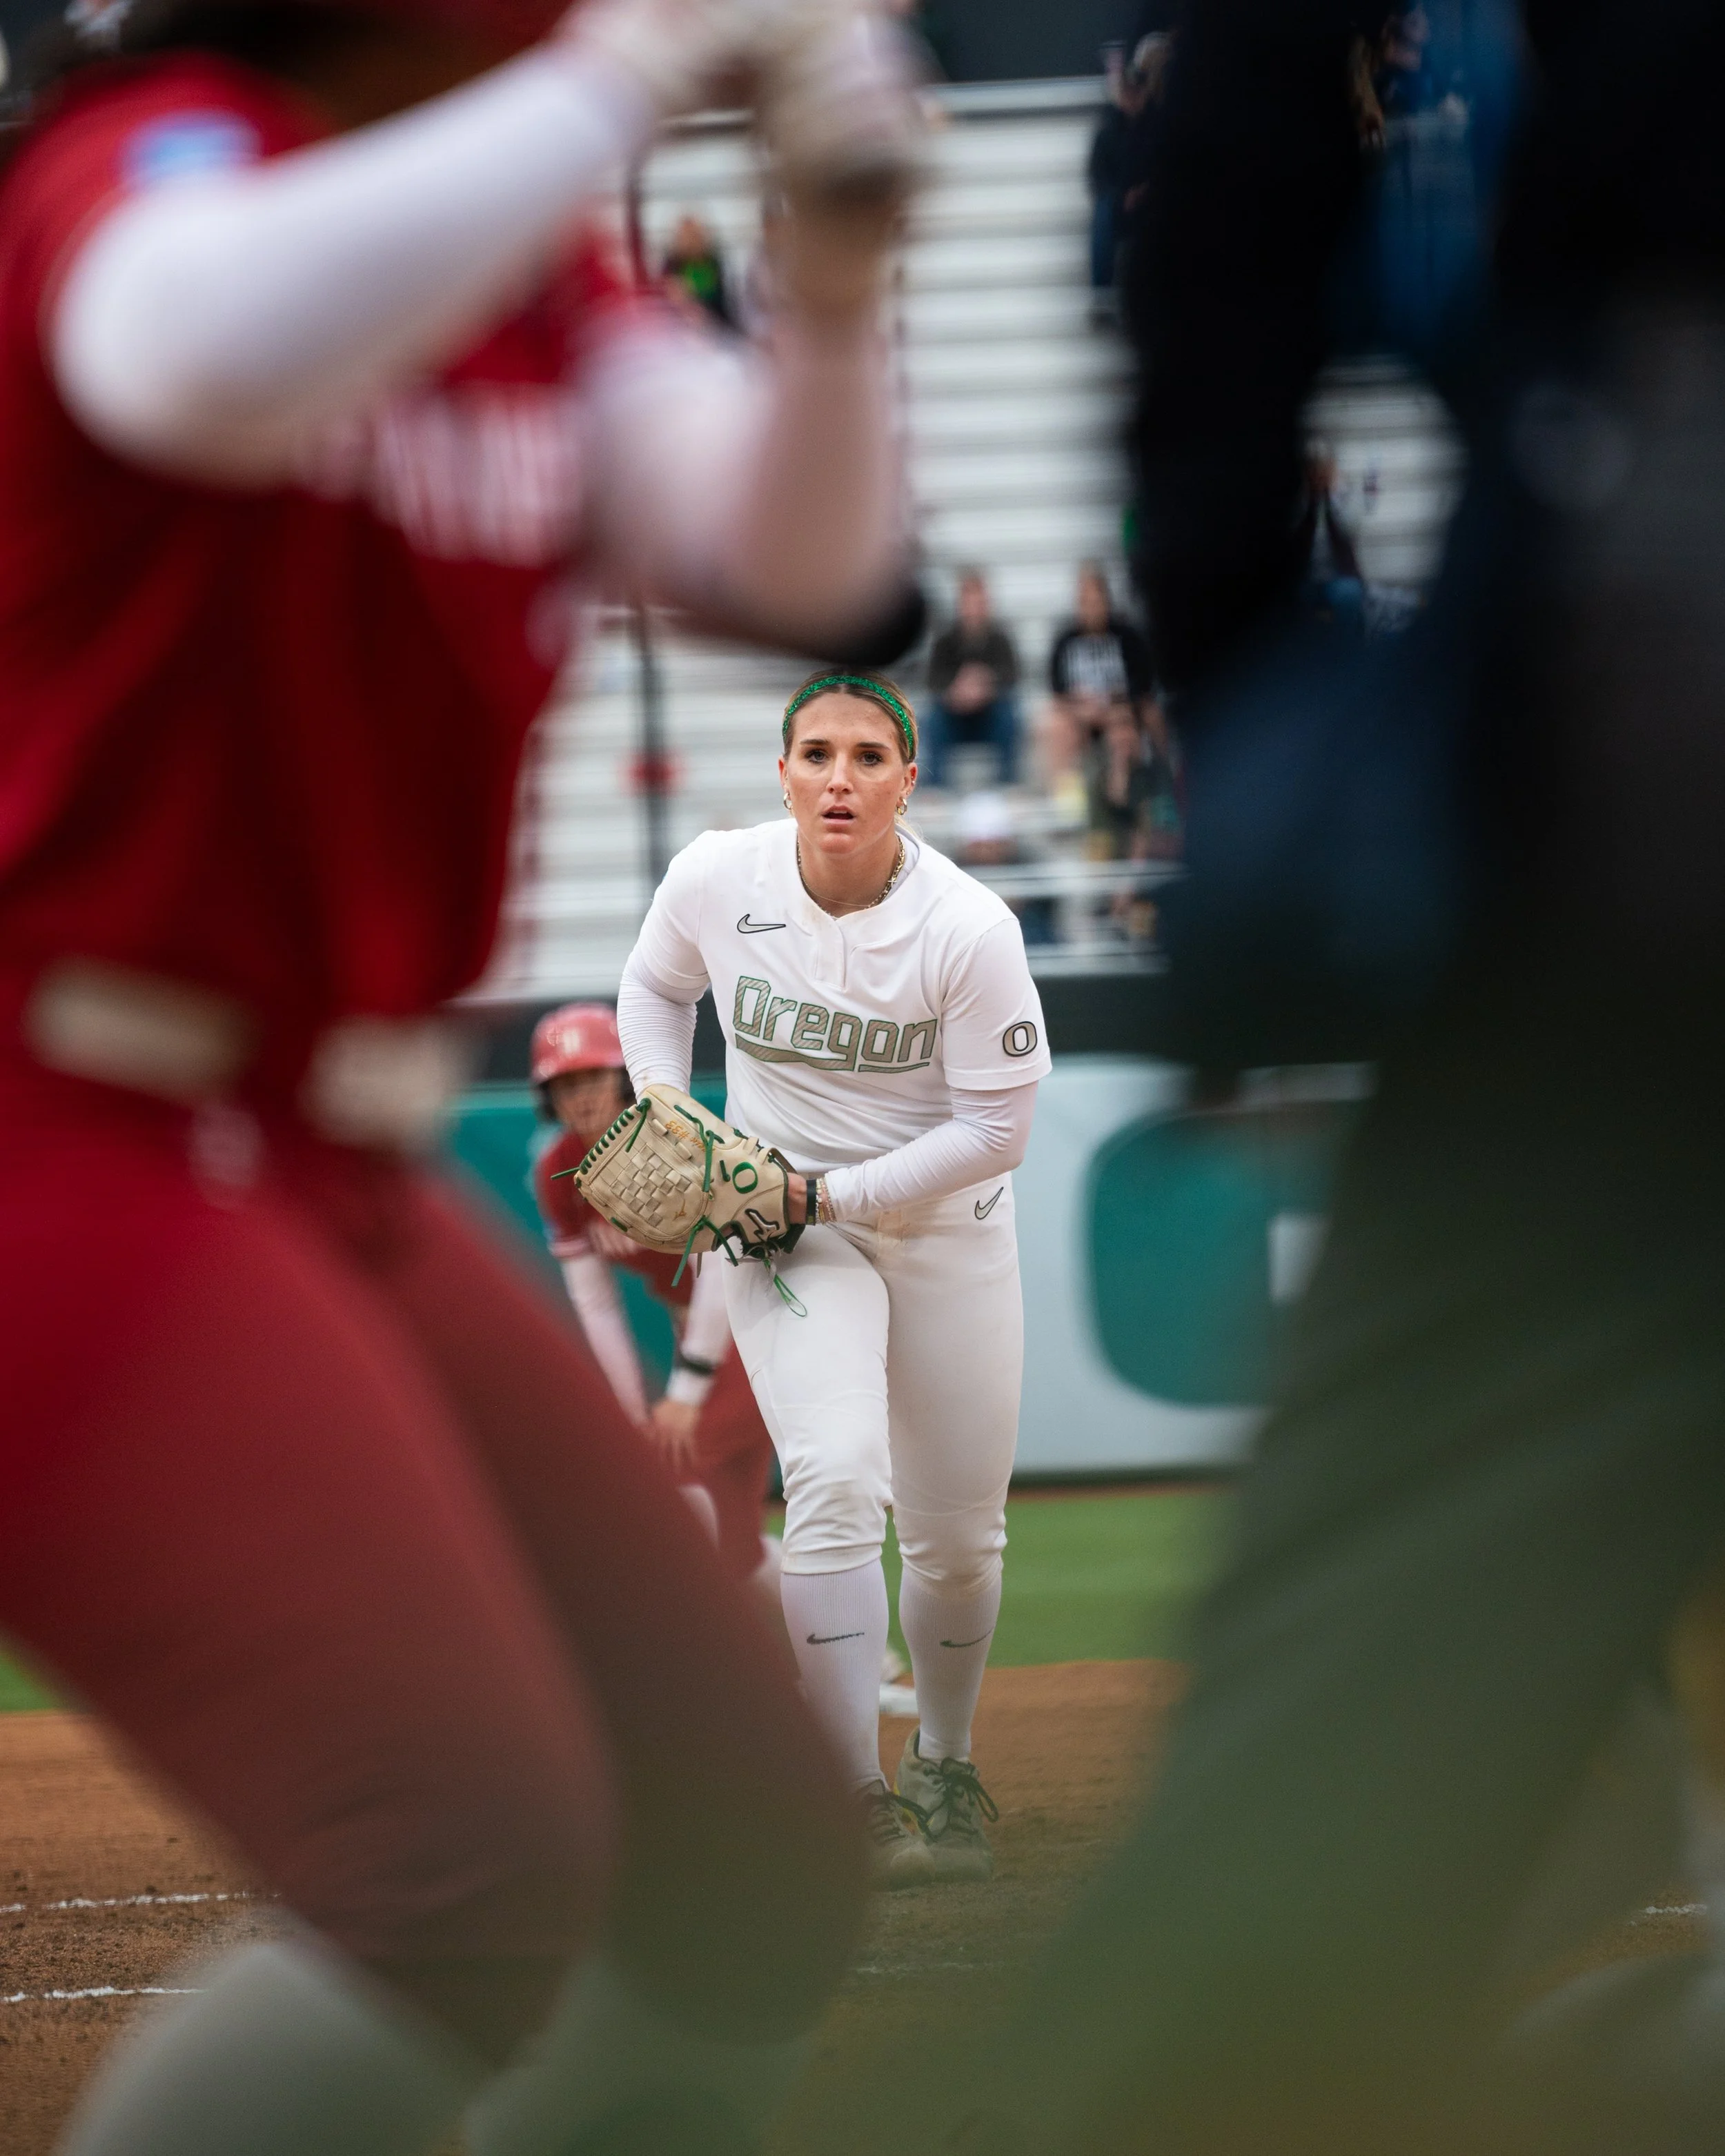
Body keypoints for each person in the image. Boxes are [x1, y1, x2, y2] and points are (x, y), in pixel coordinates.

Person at [0, 0, 930, 2148]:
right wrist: (623, 79)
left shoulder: (521, 265)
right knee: (458, 1864)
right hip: (65, 1118)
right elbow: (182, 355)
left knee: (746, 1868)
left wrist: (831, 270)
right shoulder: (155, 145)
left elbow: (801, 564)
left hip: (313, 1149)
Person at [615, 670, 1051, 1890]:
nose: (840, 779)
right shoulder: (719, 876)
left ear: (910, 780)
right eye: (817, 755)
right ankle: (848, 1795)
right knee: (838, 1472)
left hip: (944, 1229)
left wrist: (825, 1193)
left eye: (868, 758)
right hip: (789, 1233)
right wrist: (668, 1110)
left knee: (958, 1540)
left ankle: (944, 1763)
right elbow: (655, 988)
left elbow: (998, 1131)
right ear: (784, 774)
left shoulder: (970, 928)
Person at [529, 1000, 781, 1589]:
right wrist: (627, 1409)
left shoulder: (668, 1133)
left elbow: (724, 1261)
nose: (580, 1096)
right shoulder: (558, 1171)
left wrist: (688, 1387)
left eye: (591, 1077)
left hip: (752, 1326)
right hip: (701, 1336)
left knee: (668, 1489)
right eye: (564, 1084)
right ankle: (852, 1644)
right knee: (738, 1555)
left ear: (620, 1076)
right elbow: (597, 1304)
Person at [1042, 561, 1154, 792]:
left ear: (1106, 601)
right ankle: (1067, 795)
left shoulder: (1127, 637)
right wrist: (1080, 706)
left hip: (1122, 710)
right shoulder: (1065, 640)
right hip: (1081, 714)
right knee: (1056, 725)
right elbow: (1057, 689)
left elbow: (1144, 682)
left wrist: (1116, 702)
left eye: (1096, 601)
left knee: (1149, 715)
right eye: (1085, 602)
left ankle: (1157, 785)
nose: (1091, 609)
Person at [922, 566, 1021, 788]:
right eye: (969, 601)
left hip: (989, 717)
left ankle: (1008, 783)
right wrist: (957, 689)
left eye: (978, 601)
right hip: (955, 718)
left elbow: (1011, 675)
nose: (974, 608)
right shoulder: (946, 640)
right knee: (931, 719)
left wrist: (985, 684)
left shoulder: (1000, 638)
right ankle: (935, 787)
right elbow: (933, 681)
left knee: (1011, 715)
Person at [660, 208, 735, 330]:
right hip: (680, 327)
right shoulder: (671, 266)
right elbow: (668, 300)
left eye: (695, 236)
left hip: (714, 325)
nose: (691, 241)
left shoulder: (714, 263)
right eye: (687, 237)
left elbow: (724, 303)